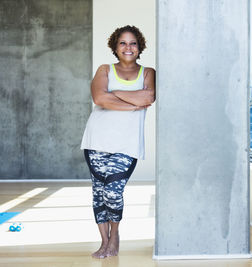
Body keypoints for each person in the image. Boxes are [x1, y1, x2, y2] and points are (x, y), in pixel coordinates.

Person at [80, 25, 155, 259]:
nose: (128, 47)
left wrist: (113, 96)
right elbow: (99, 98)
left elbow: (149, 96)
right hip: (97, 140)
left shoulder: (148, 73)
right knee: (98, 193)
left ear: (139, 46)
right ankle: (104, 242)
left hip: (127, 143)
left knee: (113, 192)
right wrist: (134, 103)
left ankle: (115, 236)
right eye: (122, 42)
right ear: (115, 46)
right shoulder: (104, 69)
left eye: (133, 43)